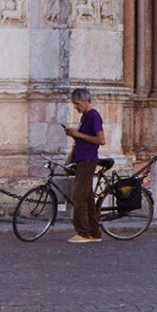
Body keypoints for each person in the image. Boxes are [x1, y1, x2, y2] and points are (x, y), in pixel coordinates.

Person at [63, 87, 106, 243]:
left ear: (86, 100)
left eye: (78, 103)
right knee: (87, 198)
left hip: (88, 160)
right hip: (81, 159)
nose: (76, 107)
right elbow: (82, 138)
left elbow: (101, 140)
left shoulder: (94, 116)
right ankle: (95, 233)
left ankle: (83, 233)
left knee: (78, 196)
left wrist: (78, 134)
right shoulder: (85, 117)